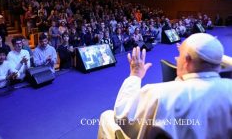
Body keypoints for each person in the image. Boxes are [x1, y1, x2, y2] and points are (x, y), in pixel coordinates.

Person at [98, 33, 232, 138]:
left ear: (187, 60)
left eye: (179, 55)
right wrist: (193, 51)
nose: (177, 59)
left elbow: (123, 115)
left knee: (107, 116)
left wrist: (135, 75)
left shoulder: (159, 95)